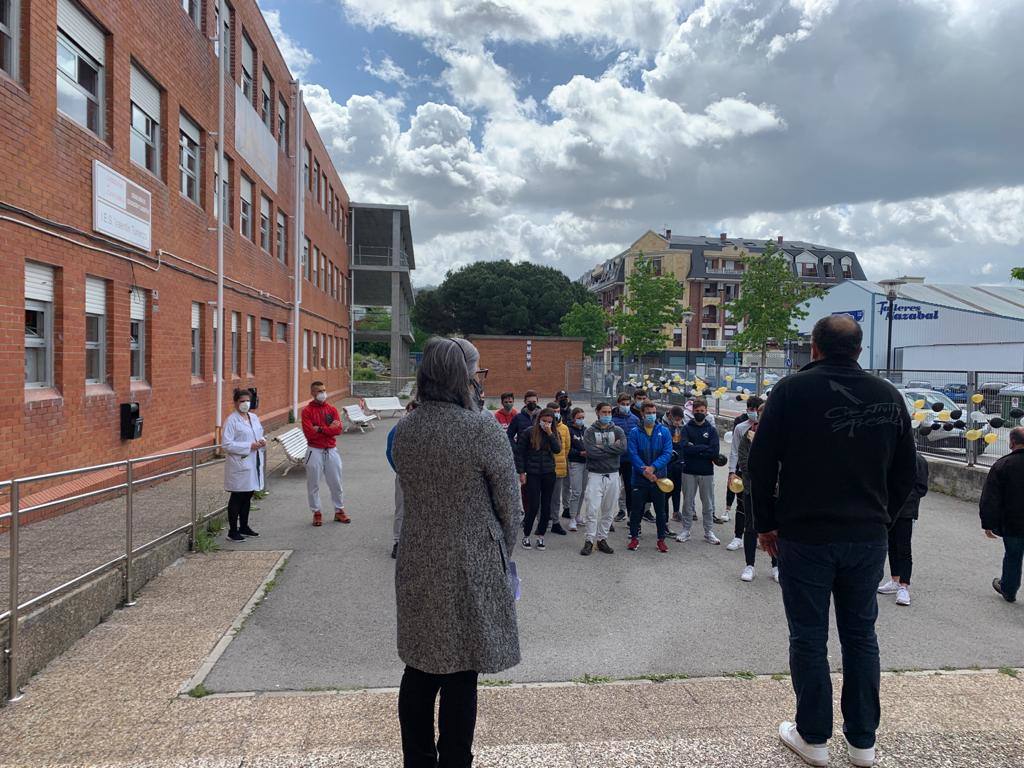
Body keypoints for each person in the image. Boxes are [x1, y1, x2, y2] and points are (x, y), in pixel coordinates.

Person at [748, 314, 916, 768]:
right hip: (866, 536)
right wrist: (883, 518)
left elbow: (760, 465)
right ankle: (863, 742)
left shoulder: (790, 391)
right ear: (859, 350)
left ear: (814, 348)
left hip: (806, 534)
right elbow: (908, 473)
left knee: (808, 636)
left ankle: (813, 737)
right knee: (861, 636)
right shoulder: (888, 395)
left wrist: (765, 524)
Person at [391, 336, 521, 768]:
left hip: (417, 555)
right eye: (476, 373)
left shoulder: (405, 428)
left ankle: (418, 761)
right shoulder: (482, 429)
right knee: (463, 670)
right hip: (471, 562)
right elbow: (510, 508)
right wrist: (503, 552)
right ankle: (454, 763)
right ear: (461, 377)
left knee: (420, 667)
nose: (480, 382)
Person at [878, 450, 928, 605]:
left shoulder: (918, 460)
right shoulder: (890, 456)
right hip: (889, 510)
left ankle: (904, 586)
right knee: (891, 546)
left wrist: (900, 500)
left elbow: (921, 488)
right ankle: (895, 579)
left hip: (906, 512)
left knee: (904, 548)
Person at [980, 426, 1024, 603]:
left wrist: (988, 524)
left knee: (1013, 556)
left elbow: (991, 498)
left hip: (1013, 522)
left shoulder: (1003, 465)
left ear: (1012, 442)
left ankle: (1009, 589)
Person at [736, 403, 778, 582]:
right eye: (759, 414)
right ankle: (749, 565)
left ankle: (777, 566)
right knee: (751, 526)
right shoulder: (748, 436)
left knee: (777, 528)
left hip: (775, 491)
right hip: (752, 488)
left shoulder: (780, 435)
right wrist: (761, 474)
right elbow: (744, 461)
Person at [626, 400, 674, 553]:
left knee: (660, 511)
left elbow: (667, 453)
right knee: (637, 509)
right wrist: (645, 471)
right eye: (648, 413)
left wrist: (653, 468)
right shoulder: (634, 432)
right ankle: (634, 537)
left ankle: (661, 539)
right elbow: (632, 454)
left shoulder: (664, 431)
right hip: (640, 479)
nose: (651, 416)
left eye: (653, 413)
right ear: (642, 414)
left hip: (658, 479)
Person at [301, 381, 350, 527]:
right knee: (313, 484)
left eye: (323, 390)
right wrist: (328, 429)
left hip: (331, 450)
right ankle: (316, 512)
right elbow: (309, 434)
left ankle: (339, 510)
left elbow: (338, 430)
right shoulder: (307, 411)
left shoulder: (332, 409)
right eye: (318, 391)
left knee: (336, 482)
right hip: (314, 450)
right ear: (312, 393)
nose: (322, 393)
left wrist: (320, 429)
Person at [580, 403, 626, 555]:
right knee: (592, 509)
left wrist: (602, 449)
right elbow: (591, 452)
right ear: (598, 413)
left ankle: (602, 539)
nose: (607, 415)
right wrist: (612, 449)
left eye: (609, 412)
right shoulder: (590, 431)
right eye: (604, 412)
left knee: (608, 510)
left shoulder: (618, 430)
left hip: (613, 474)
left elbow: (622, 448)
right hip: (595, 475)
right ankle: (589, 540)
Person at [514, 407, 562, 550]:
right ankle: (526, 535)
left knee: (546, 505)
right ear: (539, 419)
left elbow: (557, 449)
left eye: (549, 421)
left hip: (548, 473)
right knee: (533, 505)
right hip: (533, 473)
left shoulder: (553, 433)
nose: (546, 424)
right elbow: (520, 453)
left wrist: (550, 434)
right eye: (544, 421)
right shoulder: (529, 432)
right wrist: (521, 472)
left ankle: (541, 536)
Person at [222, 388, 265, 542]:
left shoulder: (253, 417)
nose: (245, 404)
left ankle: (244, 527)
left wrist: (262, 441)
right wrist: (249, 446)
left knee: (248, 495)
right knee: (238, 496)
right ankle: (232, 531)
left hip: (253, 462)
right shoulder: (231, 420)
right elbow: (226, 445)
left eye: (248, 401)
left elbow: (259, 433)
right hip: (239, 463)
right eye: (242, 401)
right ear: (235, 403)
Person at [678, 398, 721, 545]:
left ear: (706, 411)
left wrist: (695, 448)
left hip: (706, 472)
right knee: (688, 503)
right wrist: (704, 448)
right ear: (692, 411)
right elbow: (684, 447)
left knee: (708, 503)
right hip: (689, 471)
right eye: (697, 411)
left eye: (702, 411)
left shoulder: (712, 430)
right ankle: (686, 530)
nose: (699, 413)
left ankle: (709, 531)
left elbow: (714, 451)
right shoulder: (686, 429)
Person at [726, 397, 765, 551]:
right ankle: (737, 536)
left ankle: (759, 536)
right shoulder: (740, 428)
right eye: (751, 409)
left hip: (762, 475)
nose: (754, 412)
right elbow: (735, 451)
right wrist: (731, 472)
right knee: (742, 506)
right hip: (743, 473)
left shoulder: (770, 428)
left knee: (760, 507)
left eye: (756, 409)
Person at [386, 401, 418, 559]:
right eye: (410, 411)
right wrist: (399, 470)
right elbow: (389, 451)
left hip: (421, 476)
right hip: (404, 475)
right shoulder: (398, 429)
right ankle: (398, 542)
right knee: (401, 510)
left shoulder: (424, 429)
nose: (411, 414)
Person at [612, 392, 640, 522]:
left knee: (630, 489)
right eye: (623, 404)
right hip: (615, 459)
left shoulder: (635, 419)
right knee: (612, 489)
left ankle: (630, 516)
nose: (625, 406)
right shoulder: (612, 419)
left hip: (630, 460)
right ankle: (614, 514)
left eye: (627, 404)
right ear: (618, 404)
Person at [546, 401, 570, 535]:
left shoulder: (564, 428)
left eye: (557, 411)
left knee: (556, 498)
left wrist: (560, 461)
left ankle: (555, 521)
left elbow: (567, 448)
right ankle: (544, 519)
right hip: (544, 468)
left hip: (559, 467)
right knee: (544, 496)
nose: (555, 414)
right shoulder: (541, 427)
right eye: (552, 411)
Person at [662, 405, 686, 525]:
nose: (678, 422)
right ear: (670, 417)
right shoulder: (664, 425)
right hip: (668, 462)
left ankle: (676, 511)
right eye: (675, 419)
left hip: (680, 461)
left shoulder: (684, 426)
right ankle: (664, 516)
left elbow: (684, 443)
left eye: (679, 419)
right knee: (667, 489)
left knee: (677, 488)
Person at [567, 407, 589, 531]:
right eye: (578, 418)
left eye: (582, 418)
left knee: (582, 491)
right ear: (573, 418)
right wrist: (579, 453)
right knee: (575, 491)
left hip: (586, 463)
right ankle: (572, 518)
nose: (581, 420)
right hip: (575, 462)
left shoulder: (586, 430)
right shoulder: (570, 430)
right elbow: (568, 449)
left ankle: (578, 515)